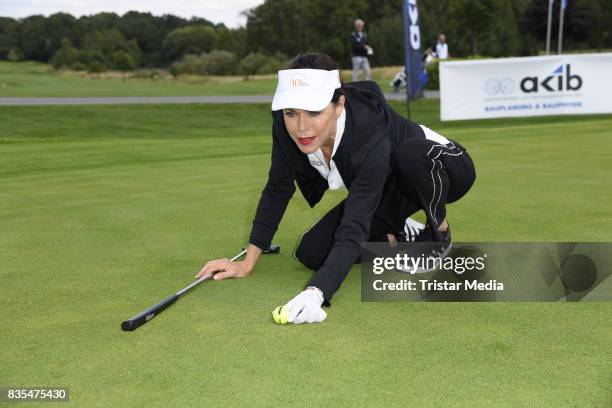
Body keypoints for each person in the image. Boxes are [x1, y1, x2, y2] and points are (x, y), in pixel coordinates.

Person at [196, 53, 475, 324]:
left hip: (443, 167)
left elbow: (353, 226)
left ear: (339, 105)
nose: (301, 127)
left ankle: (439, 234)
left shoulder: (369, 131)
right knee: (311, 253)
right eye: (292, 113)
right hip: (388, 186)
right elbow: (278, 187)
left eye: (315, 112)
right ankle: (400, 231)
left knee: (410, 156)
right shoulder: (285, 125)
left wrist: (317, 293)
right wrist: (246, 263)